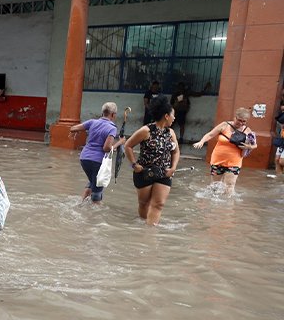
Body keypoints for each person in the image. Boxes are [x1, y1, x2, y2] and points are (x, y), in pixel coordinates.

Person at [124, 95, 180, 226]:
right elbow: (128, 145)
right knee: (144, 203)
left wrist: (173, 168)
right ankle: (143, 226)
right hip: (144, 172)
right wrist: (134, 164)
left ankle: (150, 231)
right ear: (166, 116)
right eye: (173, 115)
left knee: (158, 204)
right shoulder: (146, 131)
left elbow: (176, 151)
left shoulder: (171, 133)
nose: (174, 118)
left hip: (164, 173)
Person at [69, 102, 126, 204]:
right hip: (98, 161)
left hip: (84, 158)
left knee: (93, 182)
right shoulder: (112, 128)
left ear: (102, 112)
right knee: (97, 192)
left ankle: (80, 204)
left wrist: (77, 131)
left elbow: (73, 128)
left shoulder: (92, 122)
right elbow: (106, 148)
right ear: (113, 114)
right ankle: (94, 216)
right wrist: (120, 143)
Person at [193, 107, 256, 197]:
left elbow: (255, 145)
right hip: (217, 160)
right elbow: (210, 134)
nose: (241, 123)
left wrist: (249, 146)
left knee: (229, 186)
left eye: (244, 121)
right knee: (215, 186)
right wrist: (201, 141)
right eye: (239, 120)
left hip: (234, 162)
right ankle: (213, 207)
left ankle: (226, 208)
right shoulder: (224, 125)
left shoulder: (247, 131)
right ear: (235, 117)